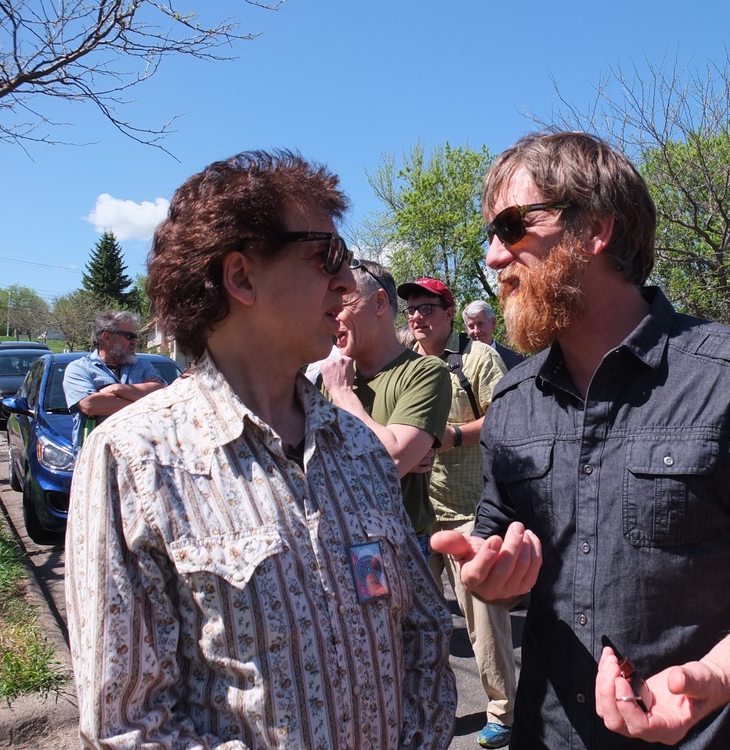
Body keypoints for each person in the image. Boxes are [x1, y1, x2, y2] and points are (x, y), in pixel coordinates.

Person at [432, 131, 730, 749]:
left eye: (511, 227)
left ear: (596, 230)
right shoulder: (513, 399)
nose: (496, 258)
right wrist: (486, 571)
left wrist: (716, 676)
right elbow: (496, 531)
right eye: (491, 237)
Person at [64, 150, 456, 749]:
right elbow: (129, 723)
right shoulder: (135, 460)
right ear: (241, 277)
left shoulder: (357, 446)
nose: (347, 282)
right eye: (327, 257)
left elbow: (425, 635)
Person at [398, 277, 517, 749]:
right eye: (410, 309)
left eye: (426, 307)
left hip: (470, 510)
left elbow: (506, 418)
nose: (416, 317)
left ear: (449, 313)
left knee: (483, 623)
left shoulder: (478, 358)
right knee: (418, 625)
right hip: (418, 514)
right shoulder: (406, 363)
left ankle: (503, 712)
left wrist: (454, 436)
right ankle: (429, 707)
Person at [321, 258, 452, 558]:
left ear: (379, 302)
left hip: (398, 546)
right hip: (336, 543)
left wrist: (342, 394)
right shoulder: (330, 375)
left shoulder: (425, 371)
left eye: (341, 305)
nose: (331, 318)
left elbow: (391, 461)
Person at [62, 310, 165, 449]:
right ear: (106, 337)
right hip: (97, 457)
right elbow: (91, 405)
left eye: (135, 336)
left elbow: (161, 394)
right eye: (129, 336)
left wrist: (117, 389)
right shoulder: (79, 369)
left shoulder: (143, 365)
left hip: (141, 455)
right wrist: (145, 398)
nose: (134, 341)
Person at [463, 299, 526, 369]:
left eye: (480, 324)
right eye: (471, 326)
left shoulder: (516, 360)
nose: (476, 331)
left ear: (493, 322)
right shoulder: (462, 362)